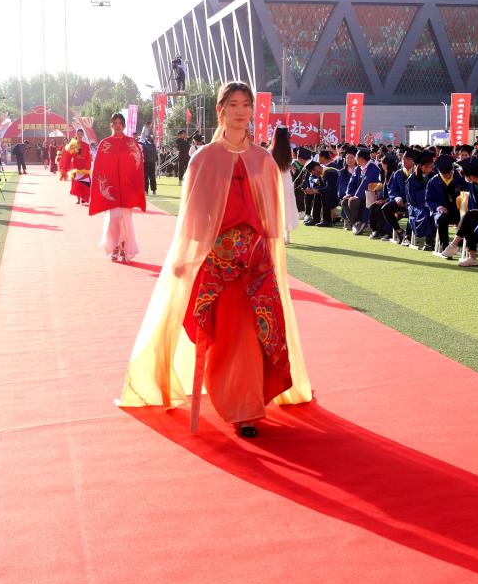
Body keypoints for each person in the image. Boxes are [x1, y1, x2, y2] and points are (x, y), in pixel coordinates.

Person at [117, 81, 311, 438]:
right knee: (231, 334)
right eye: (233, 104)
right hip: (219, 264)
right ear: (220, 109)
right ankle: (241, 406)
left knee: (258, 333)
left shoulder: (263, 160)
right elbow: (193, 217)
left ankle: (248, 407)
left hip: (256, 262)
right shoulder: (203, 159)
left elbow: (271, 219)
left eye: (246, 104)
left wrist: (269, 256)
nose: (240, 111)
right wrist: (186, 259)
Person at [89, 113, 145, 261]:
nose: (118, 125)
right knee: (114, 218)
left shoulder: (131, 143)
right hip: (111, 189)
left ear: (124, 125)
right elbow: (99, 167)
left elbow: (137, 166)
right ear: (111, 125)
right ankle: (115, 246)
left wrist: (135, 186)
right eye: (115, 123)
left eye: (120, 123)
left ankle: (124, 247)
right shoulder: (105, 143)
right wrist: (102, 187)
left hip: (127, 189)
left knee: (125, 220)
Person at [269, 127, 299, 242]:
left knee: (275, 209)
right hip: (286, 183)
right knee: (287, 208)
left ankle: (279, 235)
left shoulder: (270, 151)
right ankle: (287, 236)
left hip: (274, 183)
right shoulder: (288, 151)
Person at [60, 128, 93, 205]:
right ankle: (78, 199)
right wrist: (65, 167)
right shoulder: (73, 145)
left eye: (81, 134)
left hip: (84, 167)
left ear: (83, 135)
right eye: (78, 134)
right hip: (76, 166)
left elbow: (88, 157)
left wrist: (87, 166)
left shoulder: (86, 145)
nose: (79, 135)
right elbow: (68, 157)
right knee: (77, 183)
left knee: (85, 183)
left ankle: (83, 198)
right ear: (76, 135)